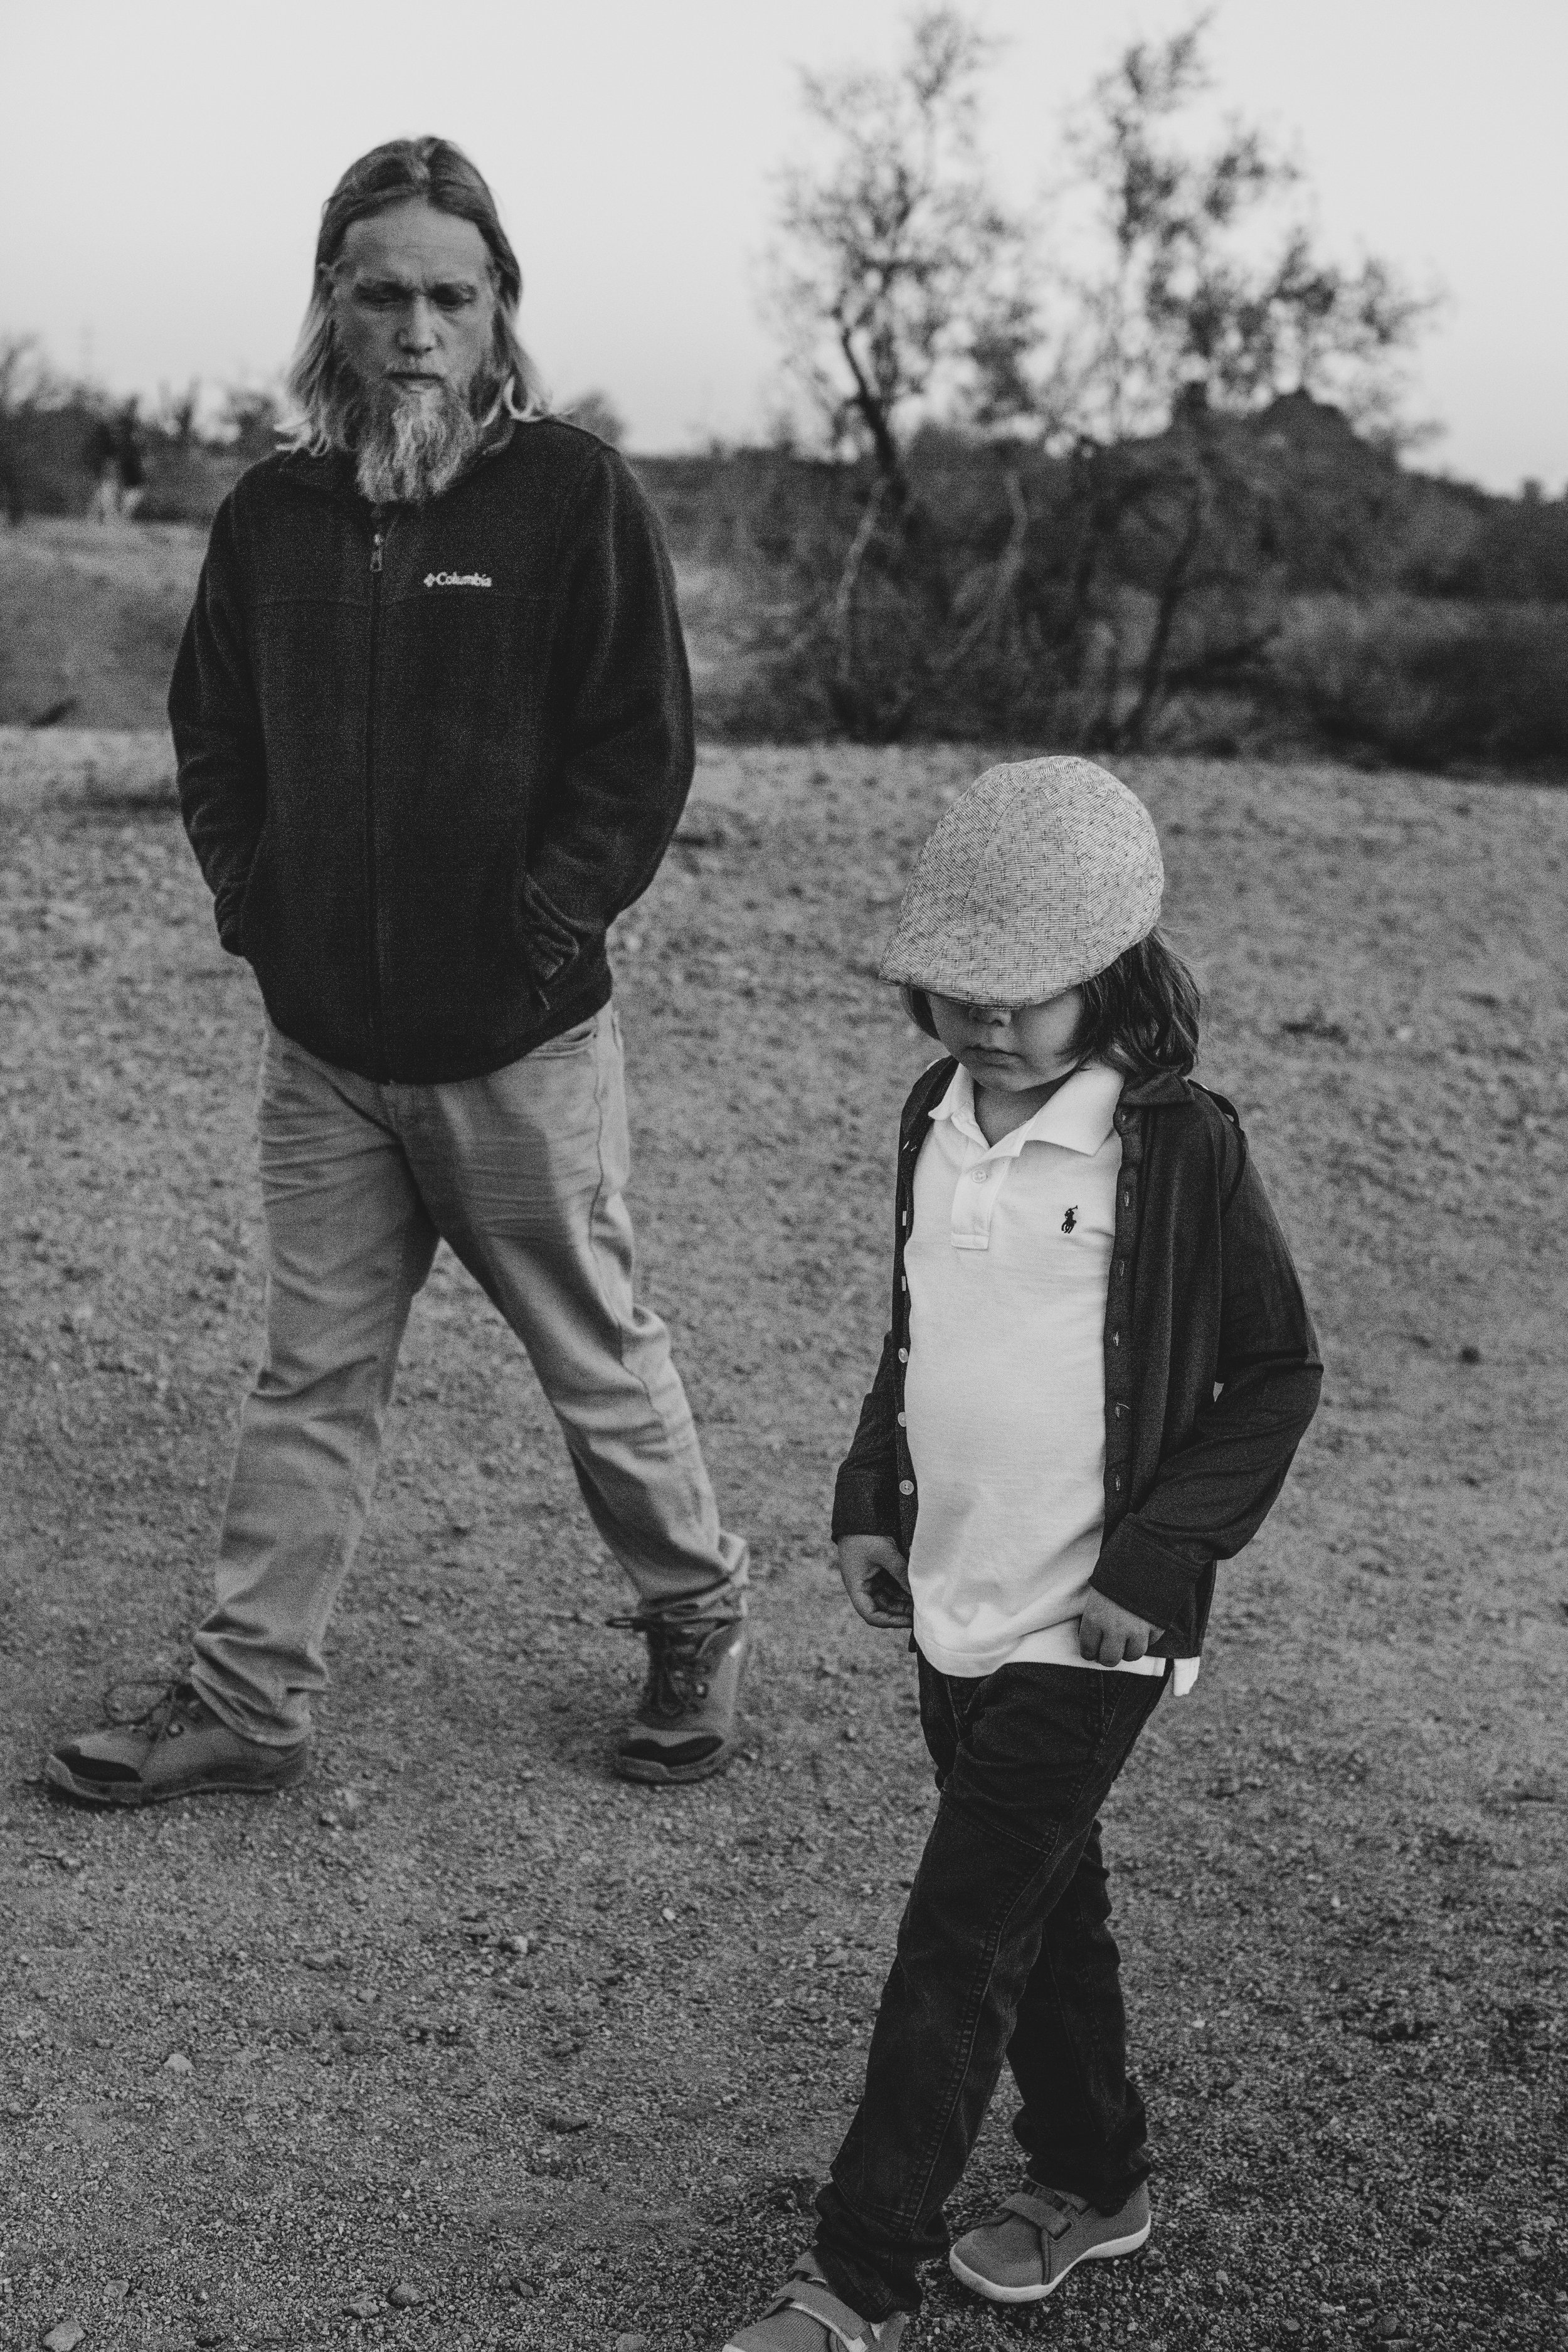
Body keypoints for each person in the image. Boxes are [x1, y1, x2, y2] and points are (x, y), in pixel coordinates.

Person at [45, 136, 748, 1809]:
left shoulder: (572, 499)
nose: (416, 326)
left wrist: (534, 934)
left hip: (517, 1050)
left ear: (501, 310)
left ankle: (694, 1616)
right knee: (312, 1375)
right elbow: (210, 733)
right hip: (326, 1052)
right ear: (333, 309)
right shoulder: (272, 516)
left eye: (451, 293)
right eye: (382, 294)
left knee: (596, 1352)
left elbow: (638, 757)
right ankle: (244, 1696)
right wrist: (257, 906)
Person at [726, 758, 1321, 2350]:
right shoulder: (928, 1112)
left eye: (1025, 992)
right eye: (956, 988)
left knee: (957, 1943)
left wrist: (1156, 1567)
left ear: (1110, 973)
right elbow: (916, 1334)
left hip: (1094, 1623)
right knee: (1045, 1909)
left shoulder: (1176, 1146)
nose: (985, 1022)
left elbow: (1274, 1376)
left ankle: (851, 2280)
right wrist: (870, 1493)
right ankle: (1095, 2174)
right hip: (951, 1592)